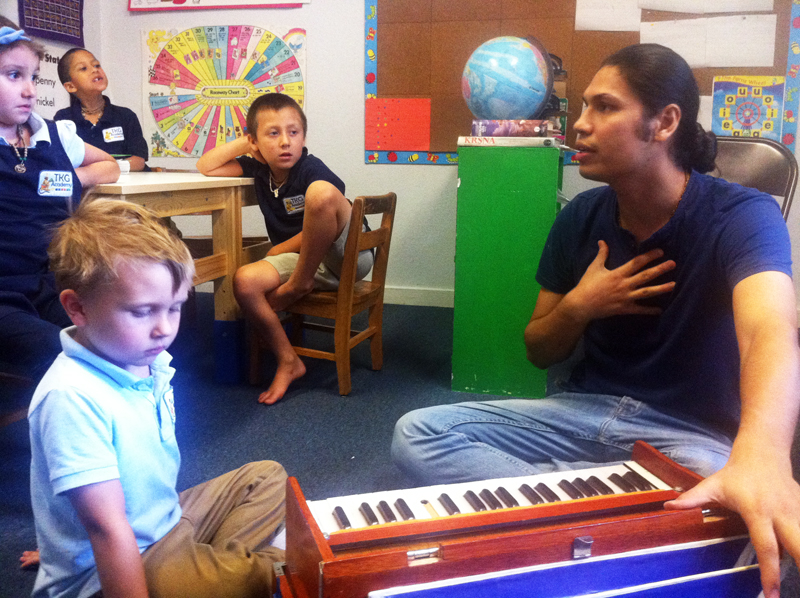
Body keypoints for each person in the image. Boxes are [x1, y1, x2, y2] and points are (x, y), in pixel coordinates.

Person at [391, 43, 800, 598]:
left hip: (688, 435)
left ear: (664, 123)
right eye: (583, 105)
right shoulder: (580, 217)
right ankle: (611, 511)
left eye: (604, 107)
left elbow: (770, 329)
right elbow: (539, 349)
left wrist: (765, 457)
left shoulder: (742, 215)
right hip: (580, 414)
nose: (579, 124)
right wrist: (581, 306)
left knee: (750, 518)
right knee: (418, 433)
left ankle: (570, 513)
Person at [28, 197, 287, 598]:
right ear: (77, 307)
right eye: (142, 311)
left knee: (267, 476)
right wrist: (70, 553)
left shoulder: (145, 360)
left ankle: (215, 566)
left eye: (175, 307)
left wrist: (57, 541)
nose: (164, 329)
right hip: (117, 562)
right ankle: (271, 567)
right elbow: (107, 529)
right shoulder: (71, 397)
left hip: (165, 521)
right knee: (257, 575)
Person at [197, 93, 372, 404]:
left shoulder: (310, 168)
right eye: (272, 133)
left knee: (321, 193)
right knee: (244, 281)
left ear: (304, 137)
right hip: (308, 261)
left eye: (294, 132)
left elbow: (331, 206)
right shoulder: (259, 170)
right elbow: (206, 166)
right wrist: (246, 143)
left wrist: (280, 249)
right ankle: (288, 360)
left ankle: (299, 283)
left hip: (347, 255)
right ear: (255, 141)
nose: (285, 142)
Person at [0, 18, 119, 384]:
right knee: (66, 357)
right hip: (3, 293)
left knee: (120, 339)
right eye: (14, 75)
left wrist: (65, 179)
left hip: (48, 283)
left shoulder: (51, 134)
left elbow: (109, 165)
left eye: (33, 77)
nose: (30, 91)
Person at [55, 47, 150, 172]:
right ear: (70, 86)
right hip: (86, 182)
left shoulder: (125, 116)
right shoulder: (63, 119)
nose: (95, 70)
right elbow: (61, 161)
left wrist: (108, 169)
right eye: (84, 68)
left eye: (97, 65)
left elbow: (139, 161)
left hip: (124, 181)